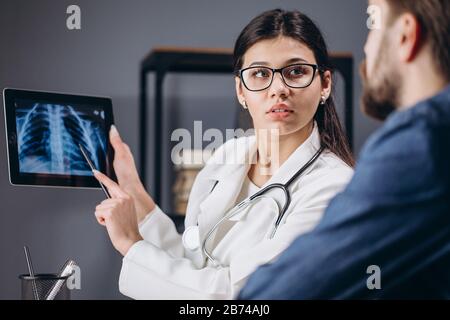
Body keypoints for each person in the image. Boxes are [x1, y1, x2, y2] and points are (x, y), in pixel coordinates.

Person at [92, 9, 354, 299]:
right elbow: (192, 265)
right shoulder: (227, 156)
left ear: (325, 84)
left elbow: (241, 294)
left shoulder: (336, 187)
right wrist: (136, 195)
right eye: (260, 74)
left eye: (296, 71)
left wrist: (132, 245)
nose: (278, 89)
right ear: (241, 90)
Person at [239, 0, 450, 299]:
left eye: (372, 21)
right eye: (260, 74)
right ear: (240, 90)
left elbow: (268, 296)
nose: (366, 46)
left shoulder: (423, 143)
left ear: (405, 35)